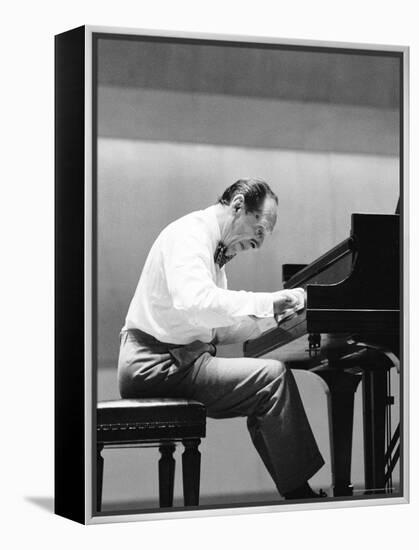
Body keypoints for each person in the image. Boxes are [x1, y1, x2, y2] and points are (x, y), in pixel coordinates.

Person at [118, 177, 325, 500]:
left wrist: (275, 318)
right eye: (259, 231)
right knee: (271, 378)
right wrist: (266, 301)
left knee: (268, 379)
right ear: (239, 205)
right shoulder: (189, 234)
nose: (259, 244)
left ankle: (295, 489)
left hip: (177, 361)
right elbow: (197, 303)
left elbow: (214, 327)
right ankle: (298, 493)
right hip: (155, 365)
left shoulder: (211, 248)